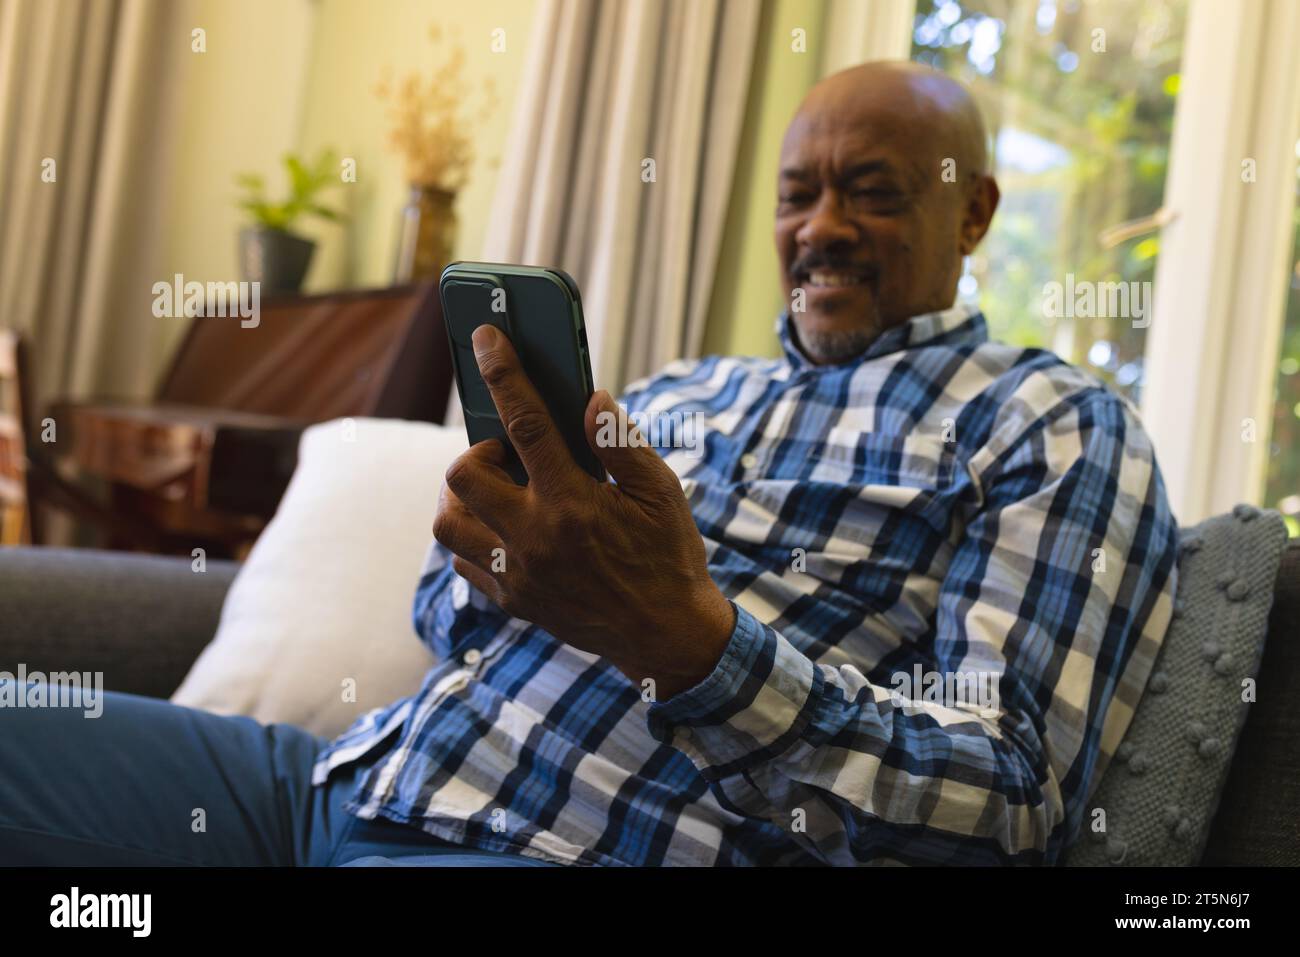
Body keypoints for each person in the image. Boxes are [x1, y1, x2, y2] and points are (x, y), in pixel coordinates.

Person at [0, 61, 1178, 867]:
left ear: (972, 213)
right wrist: (489, 550)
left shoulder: (1048, 423)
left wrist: (693, 644)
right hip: (330, 783)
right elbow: (449, 624)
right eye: (797, 194)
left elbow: (1011, 794)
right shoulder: (680, 394)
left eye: (871, 193)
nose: (820, 227)